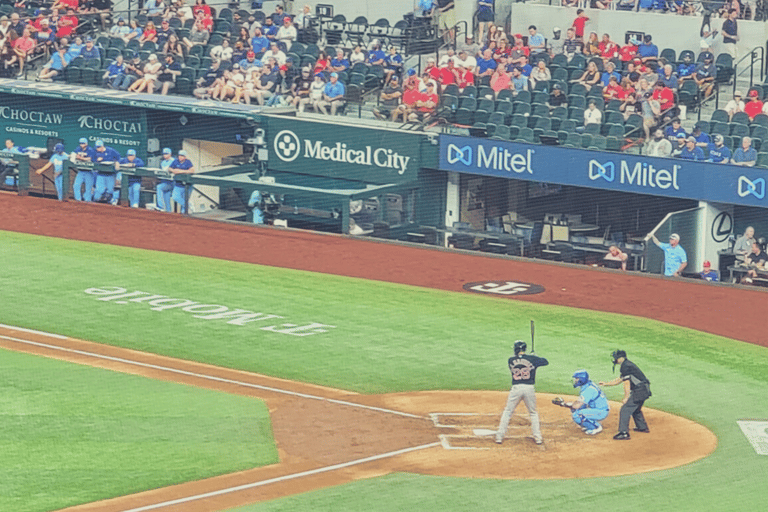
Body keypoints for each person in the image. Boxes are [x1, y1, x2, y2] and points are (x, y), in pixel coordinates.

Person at [495, 340, 548, 445]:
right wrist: (535, 357)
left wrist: (532, 358)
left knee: (508, 412)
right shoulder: (533, 359)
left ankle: (499, 437)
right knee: (533, 413)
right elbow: (545, 362)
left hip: (516, 388)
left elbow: (520, 362)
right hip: (529, 388)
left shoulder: (511, 360)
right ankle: (538, 438)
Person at [599, 350, 651, 441]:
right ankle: (642, 427)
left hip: (640, 390)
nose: (615, 359)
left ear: (621, 358)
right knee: (636, 408)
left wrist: (626, 398)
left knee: (625, 409)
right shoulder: (626, 365)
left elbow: (627, 383)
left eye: (616, 358)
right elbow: (621, 379)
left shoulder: (625, 366)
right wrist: (606, 383)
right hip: (644, 389)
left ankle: (624, 433)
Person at [554, 370, 610, 435]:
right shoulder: (588, 385)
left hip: (601, 411)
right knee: (576, 409)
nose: (575, 380)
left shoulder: (588, 390)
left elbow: (576, 405)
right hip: (599, 408)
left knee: (577, 415)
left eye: (577, 378)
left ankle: (595, 427)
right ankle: (589, 424)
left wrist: (563, 404)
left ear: (581, 379)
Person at [70, 137, 96, 201]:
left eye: (83, 143)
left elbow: (90, 159)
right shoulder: (78, 149)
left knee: (88, 188)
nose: (82, 145)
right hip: (81, 171)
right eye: (81, 143)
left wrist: (80, 158)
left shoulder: (90, 150)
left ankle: (88, 201)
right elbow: (73, 156)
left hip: (89, 171)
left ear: (86, 143)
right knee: (76, 185)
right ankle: (78, 200)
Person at [156, 147, 175, 212]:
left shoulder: (173, 161)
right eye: (164, 154)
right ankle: (168, 212)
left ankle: (160, 206)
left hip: (172, 182)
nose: (165, 155)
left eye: (166, 154)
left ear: (170, 154)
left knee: (159, 187)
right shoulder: (163, 162)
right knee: (166, 197)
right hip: (165, 181)